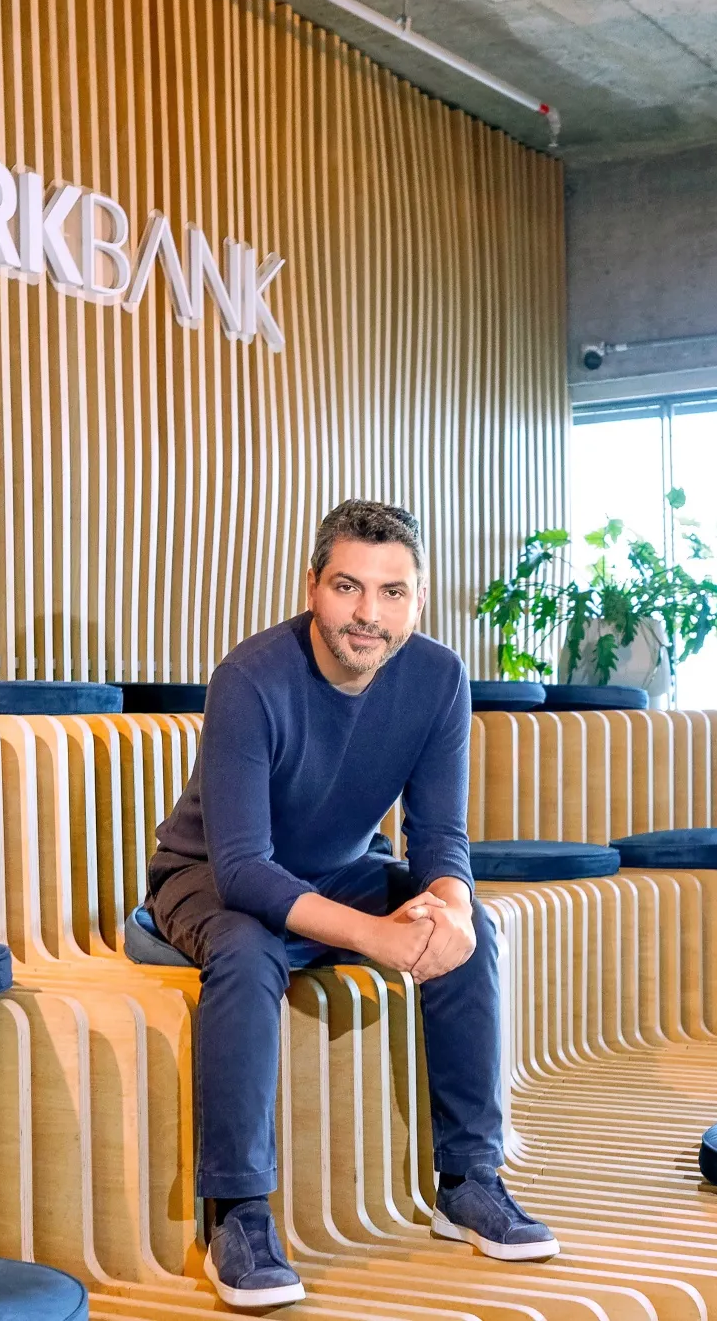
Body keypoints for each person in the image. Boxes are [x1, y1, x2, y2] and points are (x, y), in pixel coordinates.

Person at [146, 499, 560, 1309]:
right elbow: (244, 869)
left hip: (340, 870)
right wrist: (375, 935)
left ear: (419, 600)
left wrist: (447, 906)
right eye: (348, 586)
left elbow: (438, 834)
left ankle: (470, 1178)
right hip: (209, 874)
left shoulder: (437, 678)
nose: (369, 613)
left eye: (392, 591)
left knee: (468, 926)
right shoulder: (249, 679)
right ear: (313, 586)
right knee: (247, 949)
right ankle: (238, 1212)